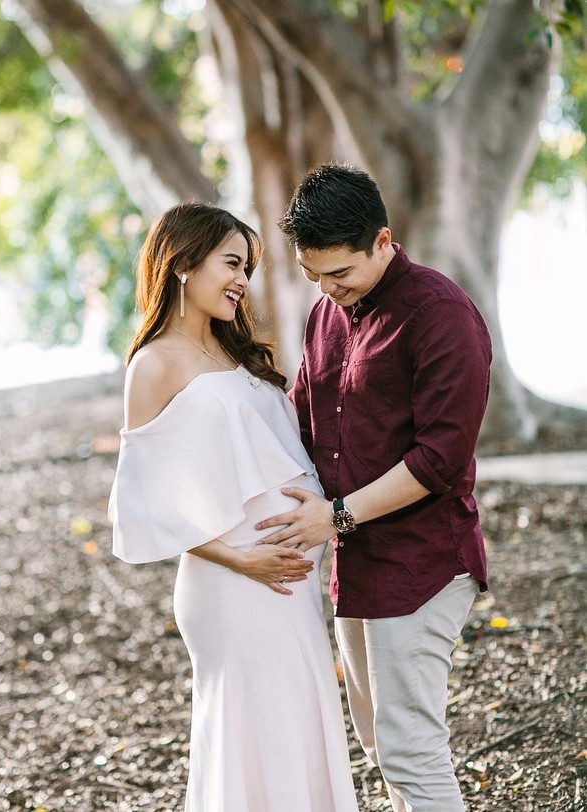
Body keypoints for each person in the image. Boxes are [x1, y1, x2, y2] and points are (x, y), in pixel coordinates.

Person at [255, 163, 492, 812]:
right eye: (313, 276)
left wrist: (334, 516)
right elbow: (301, 418)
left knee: (411, 751)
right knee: (379, 747)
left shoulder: (441, 315)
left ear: (383, 242)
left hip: (424, 563)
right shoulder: (326, 314)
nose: (328, 291)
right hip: (356, 568)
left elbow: (442, 456)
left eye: (341, 274)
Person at [108, 201, 359, 812]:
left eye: (245, 266)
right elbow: (143, 505)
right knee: (255, 734)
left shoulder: (239, 356)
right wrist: (243, 561)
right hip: (231, 584)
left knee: (298, 725)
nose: (242, 279)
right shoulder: (154, 364)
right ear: (183, 264)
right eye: (231, 263)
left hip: (288, 585)